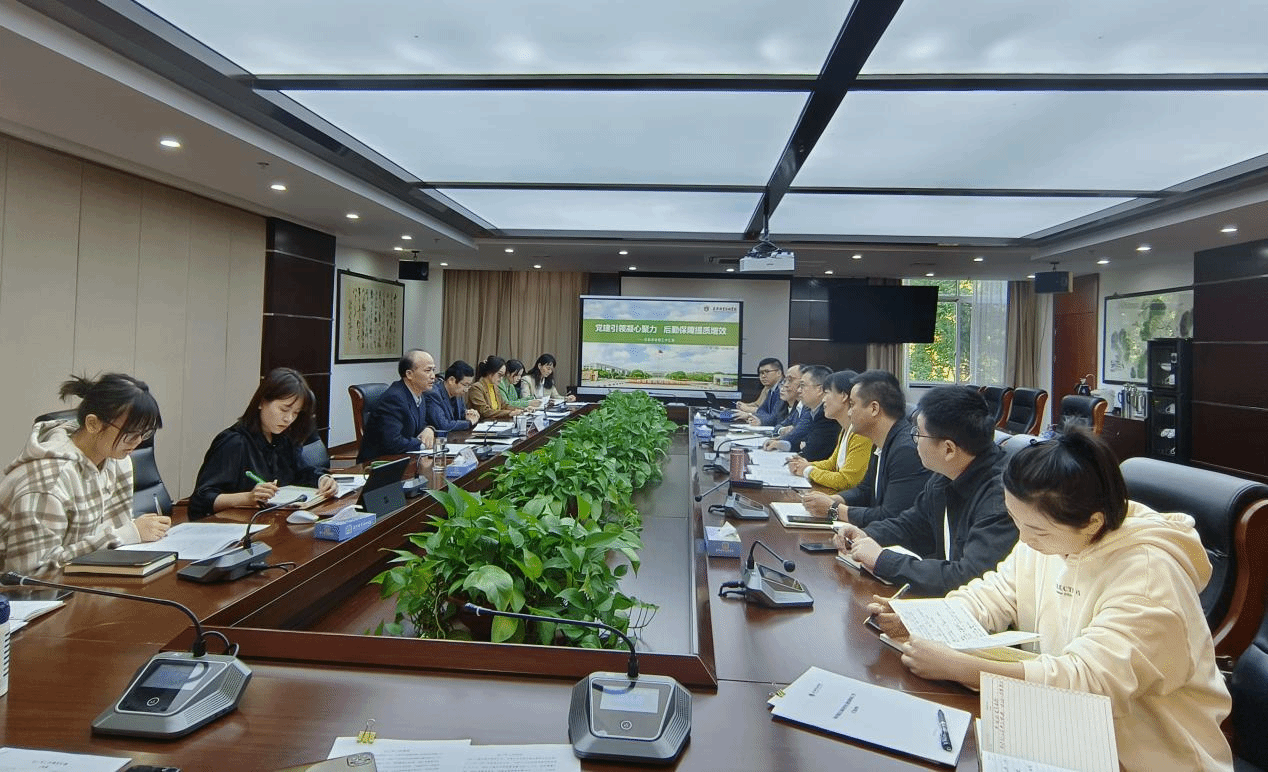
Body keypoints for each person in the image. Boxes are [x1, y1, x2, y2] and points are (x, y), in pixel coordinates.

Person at [868, 431, 1233, 772]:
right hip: (1067, 730)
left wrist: (963, 668)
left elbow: (1089, 682)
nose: (1024, 539)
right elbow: (998, 592)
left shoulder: (1150, 576)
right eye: (1016, 521)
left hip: (1149, 753)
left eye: (1036, 530)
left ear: (1093, 523)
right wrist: (917, 617)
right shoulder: (1056, 534)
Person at [834, 385, 1016, 596]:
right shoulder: (946, 474)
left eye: (918, 434)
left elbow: (970, 577)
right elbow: (911, 525)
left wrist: (883, 561)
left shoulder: (1002, 496)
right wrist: (866, 534)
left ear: (948, 449)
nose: (915, 442)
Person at [0, 373, 171, 573]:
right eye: (131, 433)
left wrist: (128, 535)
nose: (138, 442)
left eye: (145, 433)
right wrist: (127, 534)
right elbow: (30, 574)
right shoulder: (49, 481)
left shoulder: (117, 461)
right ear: (92, 424)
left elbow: (112, 542)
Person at [191, 367, 337, 519]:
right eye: (284, 409)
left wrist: (323, 479)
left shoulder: (283, 438)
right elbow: (200, 500)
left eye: (295, 413)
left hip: (275, 520)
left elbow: (302, 472)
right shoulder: (234, 442)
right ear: (261, 402)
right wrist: (247, 498)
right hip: (238, 524)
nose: (288, 419)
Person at [805, 369, 929, 525]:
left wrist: (834, 509)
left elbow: (890, 516)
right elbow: (865, 490)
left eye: (852, 405)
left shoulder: (905, 451)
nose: (849, 413)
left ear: (874, 408)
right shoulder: (880, 441)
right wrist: (834, 499)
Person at [787, 370, 872, 492]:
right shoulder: (845, 429)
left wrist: (808, 470)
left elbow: (847, 480)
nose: (823, 400)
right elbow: (832, 464)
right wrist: (806, 465)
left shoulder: (860, 433)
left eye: (827, 393)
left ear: (843, 396)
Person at [357, 349, 437, 463]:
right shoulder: (394, 398)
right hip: (379, 463)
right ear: (409, 374)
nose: (433, 376)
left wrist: (428, 429)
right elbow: (392, 442)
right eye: (428, 370)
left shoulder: (418, 394)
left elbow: (417, 424)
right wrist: (423, 444)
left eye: (433, 370)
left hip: (404, 458)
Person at [764, 365, 838, 461]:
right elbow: (800, 443)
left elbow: (811, 452)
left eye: (802, 386)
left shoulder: (826, 416)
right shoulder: (813, 410)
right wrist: (780, 444)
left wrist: (802, 449)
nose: (799, 390)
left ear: (819, 390)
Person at [426, 360, 481, 433]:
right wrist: (469, 423)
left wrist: (469, 415)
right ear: (451, 380)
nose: (466, 390)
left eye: (469, 386)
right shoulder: (433, 394)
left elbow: (461, 415)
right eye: (465, 385)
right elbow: (443, 425)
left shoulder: (457, 394)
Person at [468, 355, 525, 421]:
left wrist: (523, 410)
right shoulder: (477, 387)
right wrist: (510, 413)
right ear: (490, 372)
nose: (501, 379)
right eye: (499, 375)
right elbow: (485, 411)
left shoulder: (495, 387)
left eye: (502, 376)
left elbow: (504, 405)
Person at [737, 357, 783, 423]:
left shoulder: (783, 389)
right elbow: (762, 411)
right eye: (761, 373)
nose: (763, 376)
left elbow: (774, 417)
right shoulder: (771, 390)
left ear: (779, 373)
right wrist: (751, 416)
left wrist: (749, 415)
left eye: (767, 372)